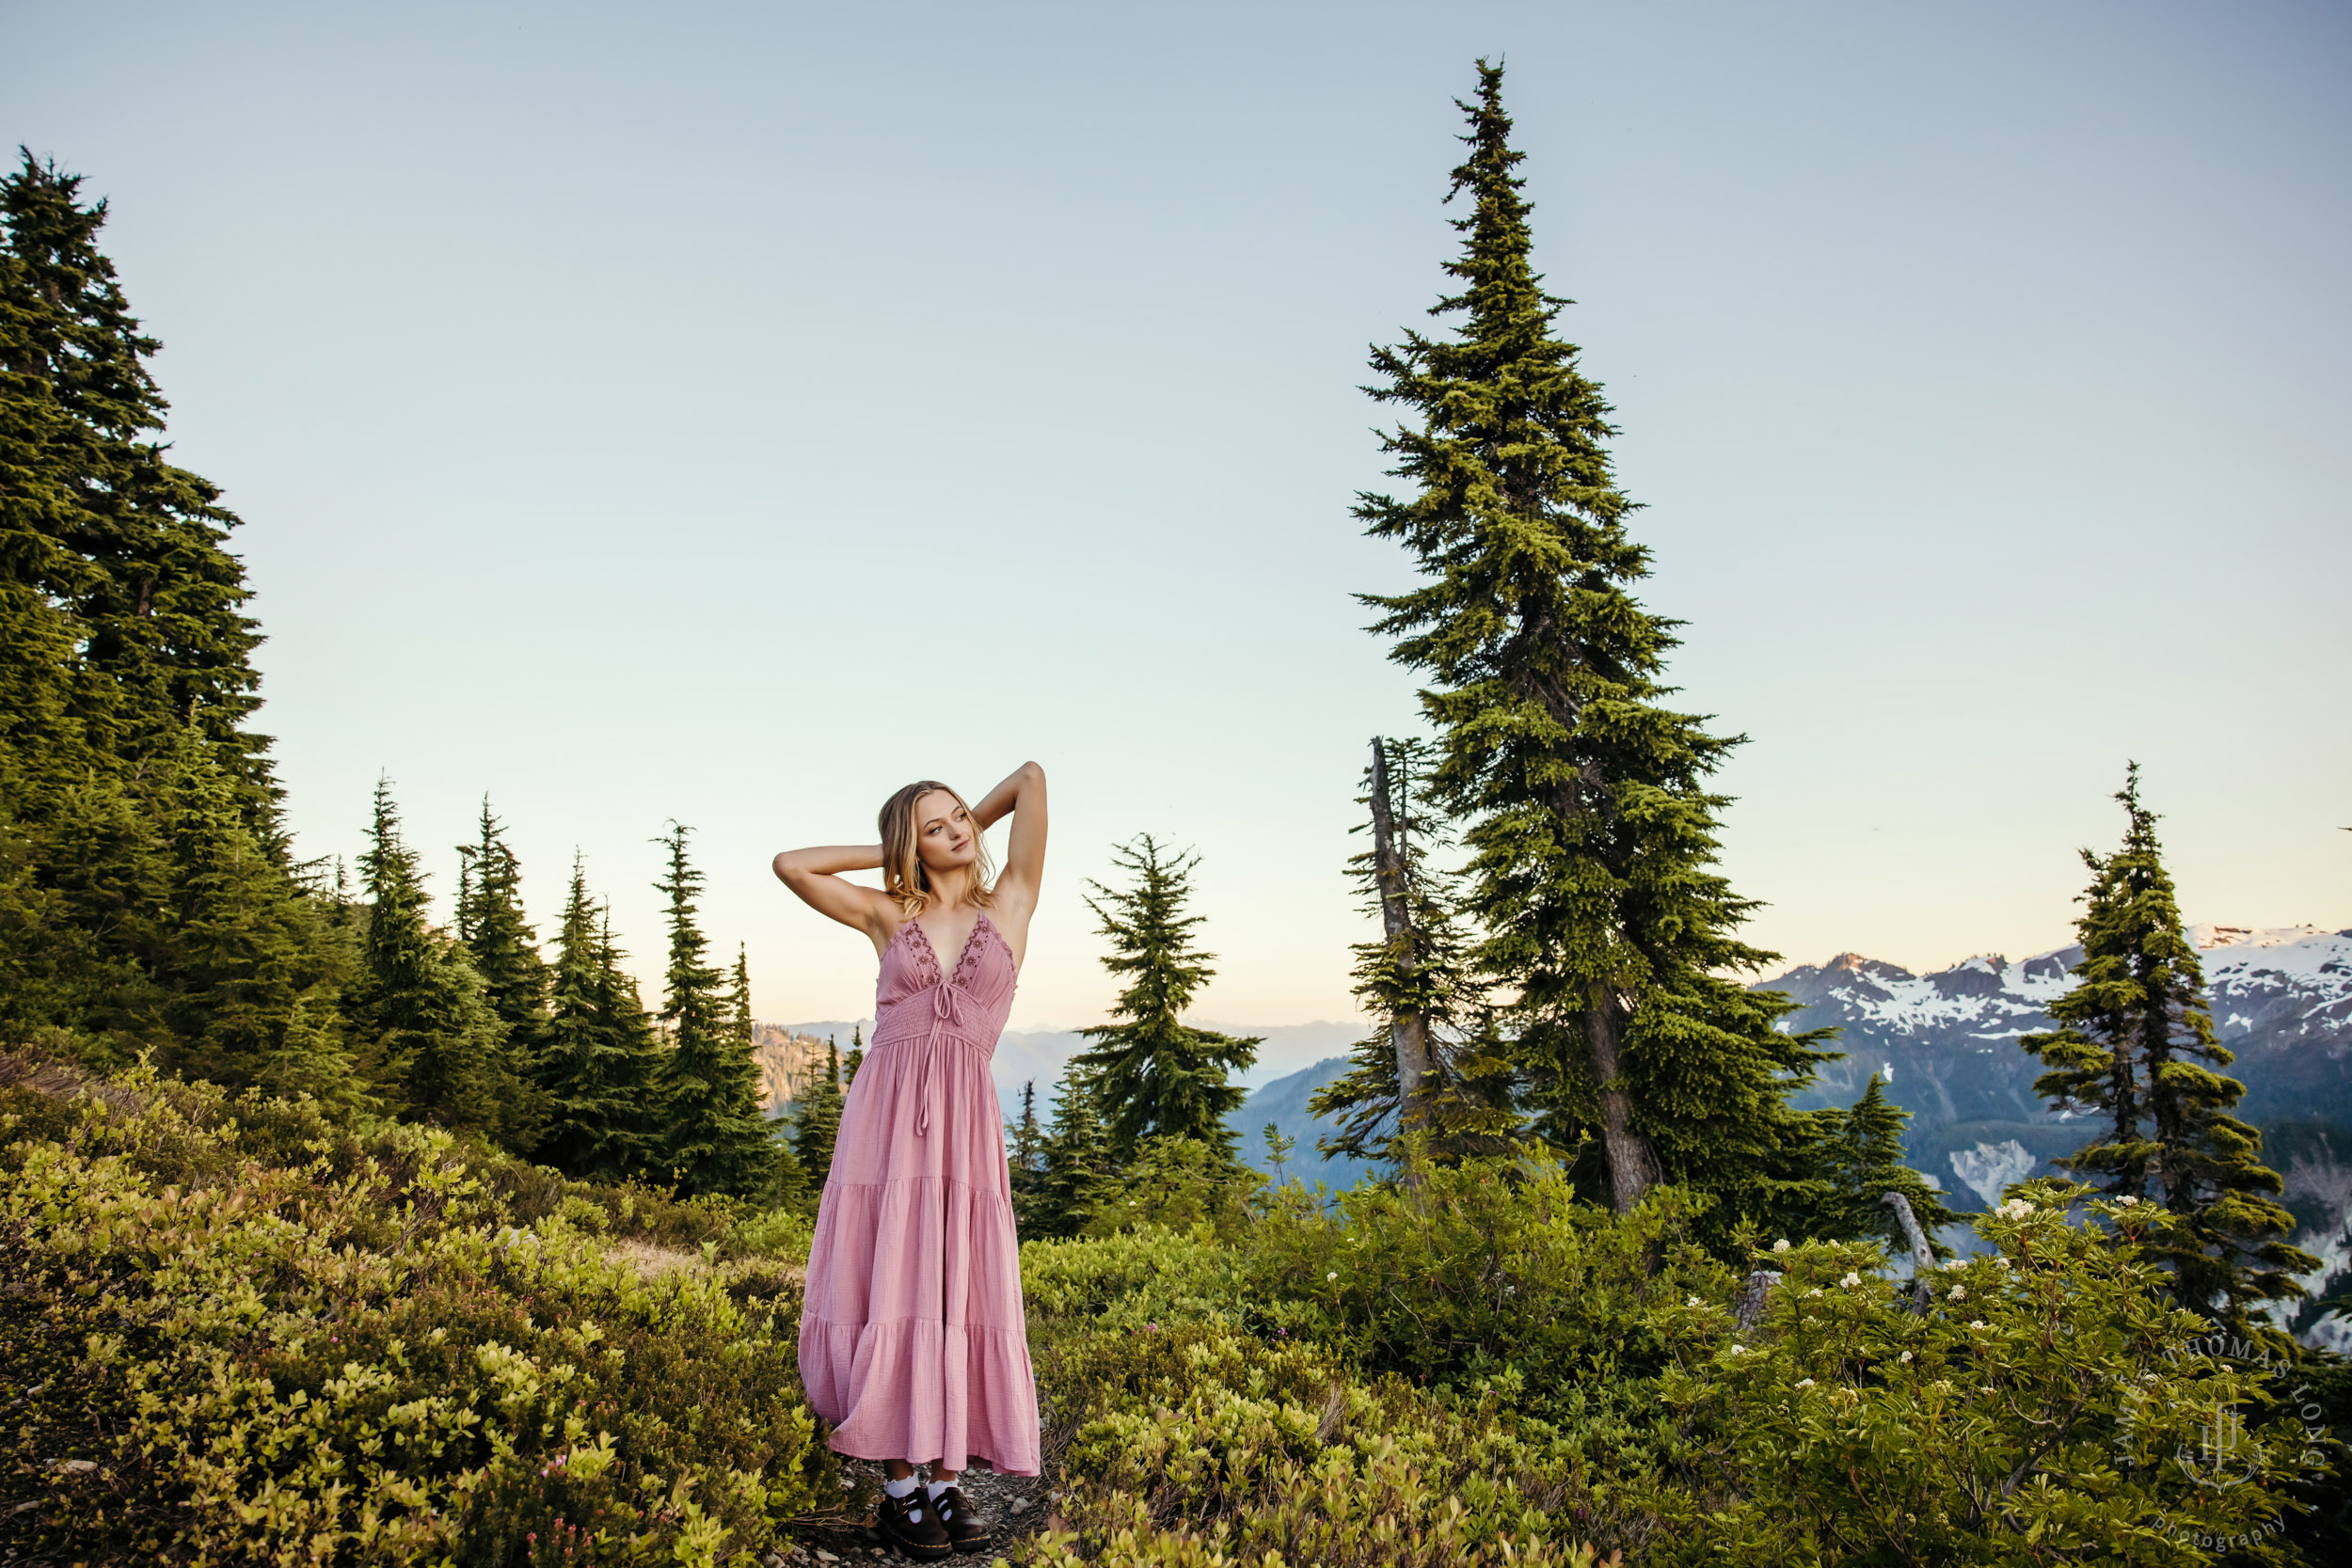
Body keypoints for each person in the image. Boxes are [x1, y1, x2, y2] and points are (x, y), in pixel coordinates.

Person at [771, 764, 1047, 1560]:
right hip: (887, 1120)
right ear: (911, 846)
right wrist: (894, 850)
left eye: (960, 816)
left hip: (964, 1124)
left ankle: (947, 1478)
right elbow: (793, 865)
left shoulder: (1013, 904)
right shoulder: (891, 914)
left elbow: (1030, 777)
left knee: (955, 1278)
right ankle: (900, 1489)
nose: (958, 830)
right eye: (936, 826)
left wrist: (967, 819)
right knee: (892, 1272)